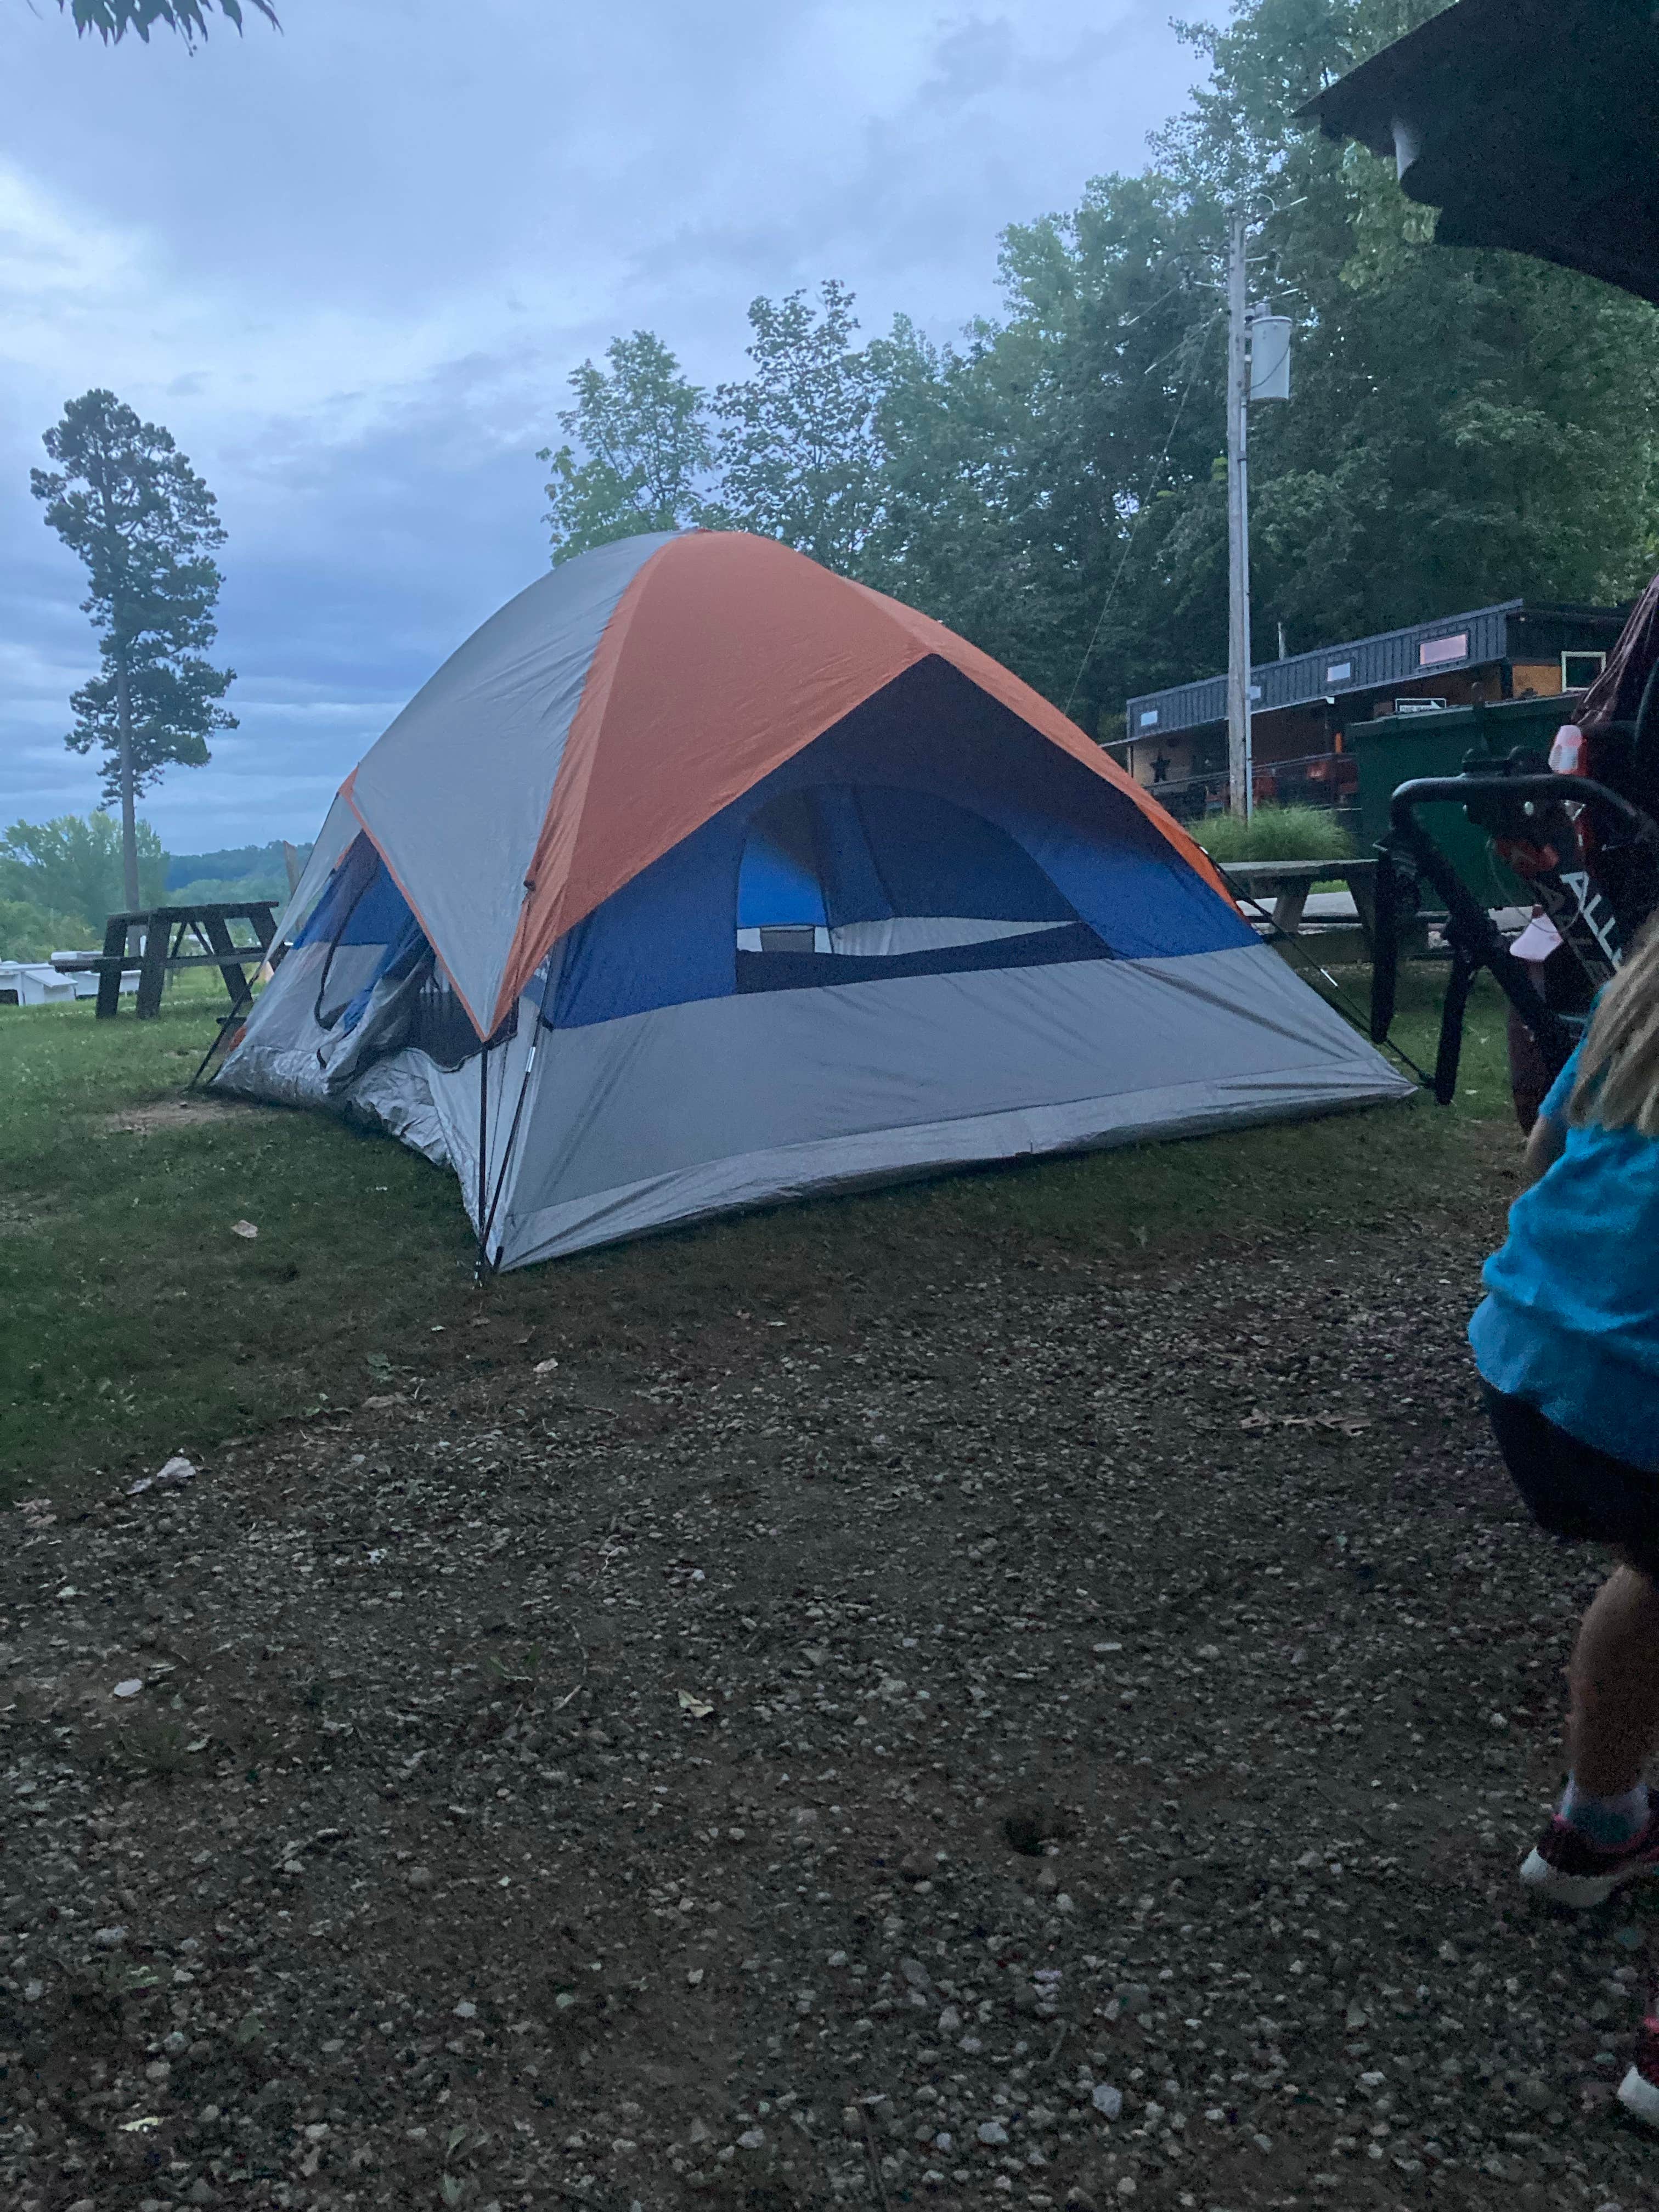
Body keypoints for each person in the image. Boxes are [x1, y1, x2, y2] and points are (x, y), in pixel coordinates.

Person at [1470, 915, 1659, 2125]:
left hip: (1535, 1373)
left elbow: (1543, 1159)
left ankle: (1596, 1832)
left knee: (1653, 1568)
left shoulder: (1642, 994)